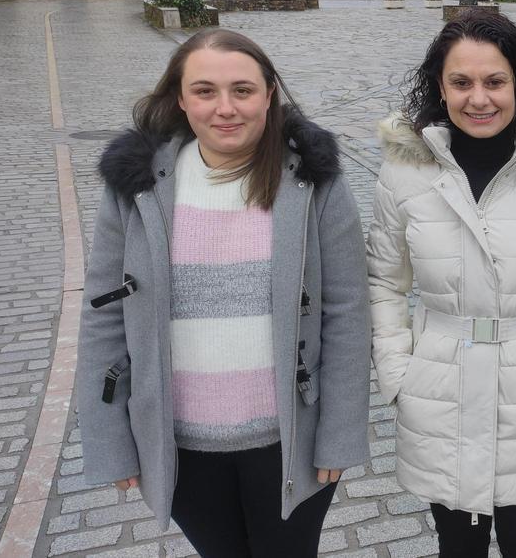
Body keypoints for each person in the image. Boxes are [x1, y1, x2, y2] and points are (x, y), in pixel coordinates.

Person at [78, 29, 372, 557]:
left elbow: (347, 311)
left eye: (242, 90)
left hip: (289, 443)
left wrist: (340, 433)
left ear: (268, 94)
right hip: (181, 445)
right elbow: (102, 314)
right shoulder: (136, 185)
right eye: (205, 91)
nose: (225, 108)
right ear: (179, 99)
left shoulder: (313, 181)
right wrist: (110, 441)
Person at [367, 10, 516, 557]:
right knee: (458, 549)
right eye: (462, 82)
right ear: (441, 86)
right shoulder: (404, 171)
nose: (479, 98)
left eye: (494, 81)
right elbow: (384, 282)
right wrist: (397, 373)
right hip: (438, 387)